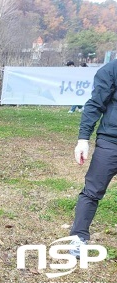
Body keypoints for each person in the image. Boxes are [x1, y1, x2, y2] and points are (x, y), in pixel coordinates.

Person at [70, 59, 117, 257]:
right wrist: (83, 139)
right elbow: (95, 104)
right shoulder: (112, 69)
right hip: (111, 142)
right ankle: (78, 238)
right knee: (92, 191)